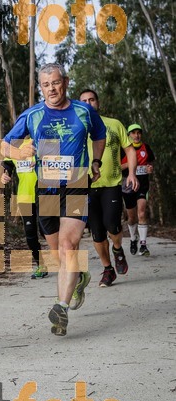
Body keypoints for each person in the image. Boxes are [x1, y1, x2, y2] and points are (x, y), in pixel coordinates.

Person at [2, 63, 106, 336]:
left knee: (68, 244)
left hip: (76, 183)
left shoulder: (84, 111)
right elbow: (5, 144)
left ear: (66, 82)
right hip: (46, 186)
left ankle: (61, 308)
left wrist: (96, 161)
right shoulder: (33, 114)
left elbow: (100, 135)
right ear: (41, 87)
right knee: (59, 255)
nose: (51, 89)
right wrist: (20, 153)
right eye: (46, 85)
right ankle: (79, 276)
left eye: (56, 83)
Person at [79, 90, 139, 287]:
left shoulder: (113, 124)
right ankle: (107, 269)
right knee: (96, 232)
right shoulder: (77, 127)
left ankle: (117, 248)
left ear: (98, 102)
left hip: (111, 184)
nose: (88, 103)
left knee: (112, 224)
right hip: (86, 186)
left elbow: (129, 149)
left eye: (91, 99)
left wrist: (131, 173)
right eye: (84, 101)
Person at [1, 141, 48, 279]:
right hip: (25, 196)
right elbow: (8, 166)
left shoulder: (42, 139)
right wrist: (5, 175)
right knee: (30, 233)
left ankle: (64, 261)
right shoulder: (14, 146)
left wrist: (41, 162)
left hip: (46, 194)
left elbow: (59, 159)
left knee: (48, 231)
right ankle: (41, 265)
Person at [121, 124, 155, 256]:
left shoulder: (146, 147)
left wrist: (149, 168)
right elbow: (117, 167)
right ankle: (133, 239)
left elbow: (150, 163)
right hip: (127, 186)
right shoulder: (123, 149)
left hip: (143, 185)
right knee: (132, 217)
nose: (136, 135)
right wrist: (131, 164)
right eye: (133, 133)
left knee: (141, 213)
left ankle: (143, 244)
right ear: (128, 135)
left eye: (138, 133)